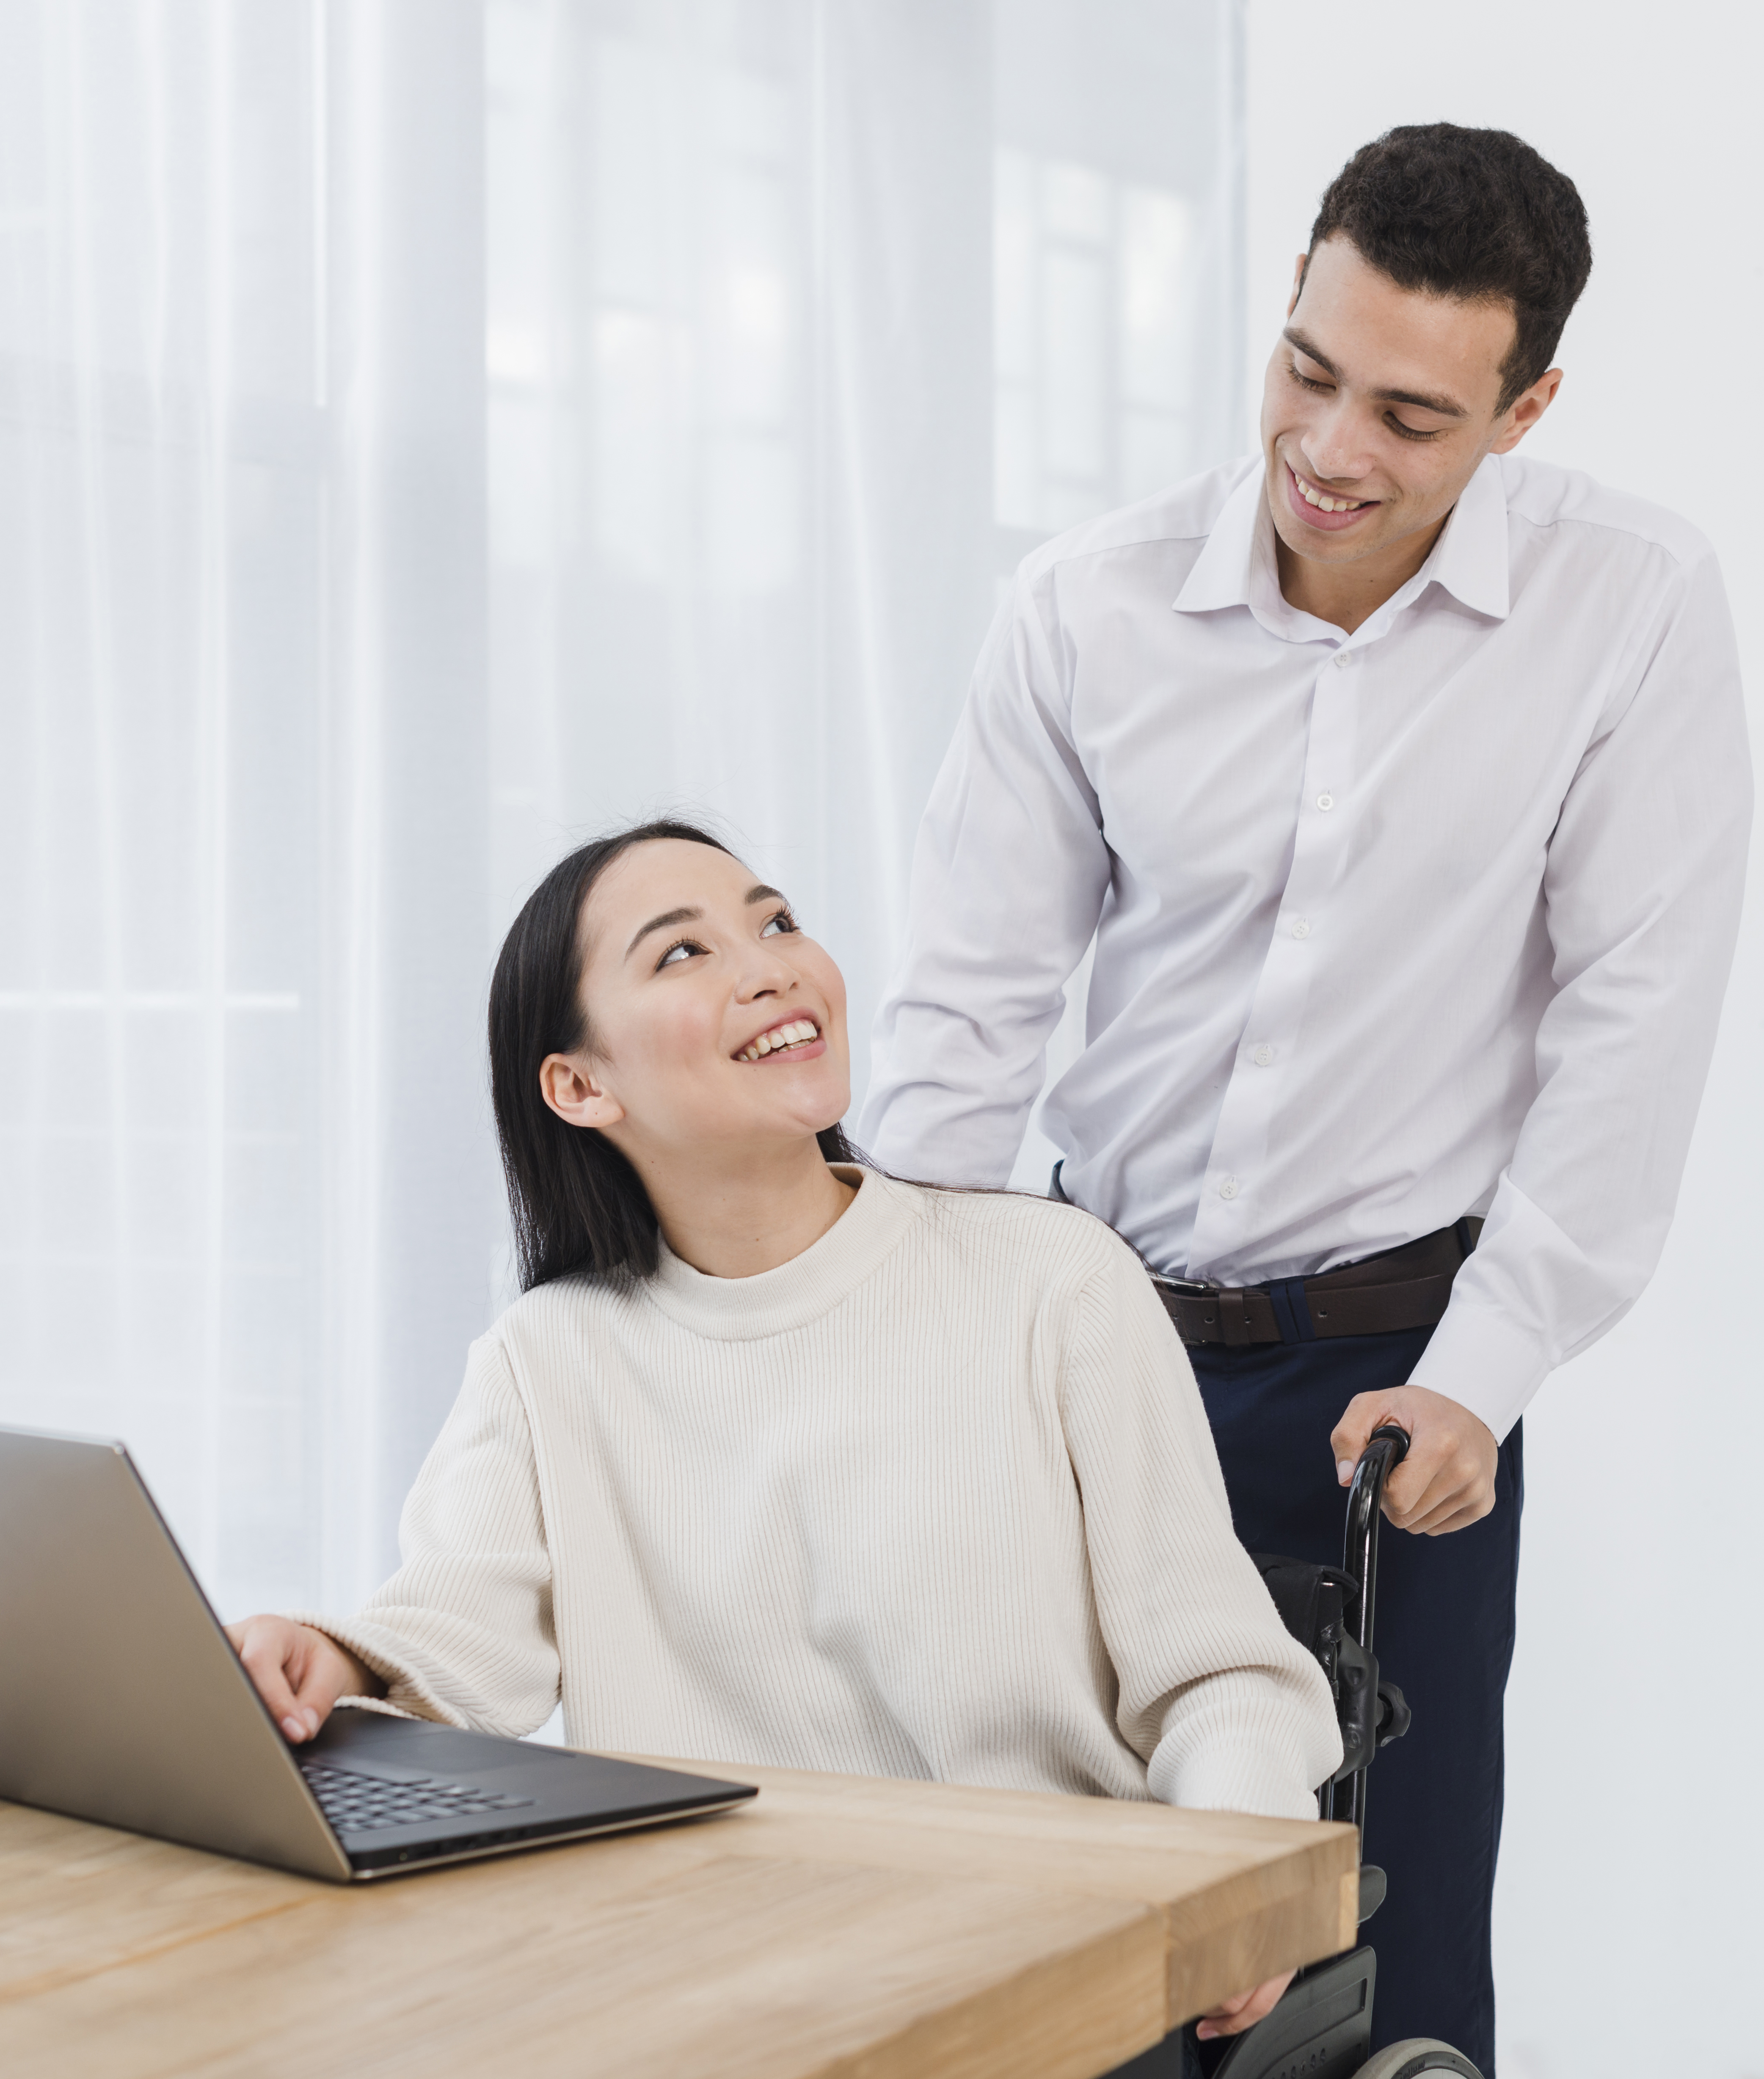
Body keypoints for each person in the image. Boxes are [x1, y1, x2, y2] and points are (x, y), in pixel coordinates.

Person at [860, 124, 1751, 2072]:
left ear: (1526, 410)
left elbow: (1632, 1024)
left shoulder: (1631, 611)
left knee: (1380, 1976)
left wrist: (1486, 1373)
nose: (1334, 447)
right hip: (1085, 1360)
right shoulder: (1084, 609)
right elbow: (968, 1023)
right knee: (1070, 1953)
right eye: (1306, 371)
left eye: (1414, 415)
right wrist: (889, 1346)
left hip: (1396, 1392)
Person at [228, 820, 1343, 2051]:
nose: (768, 965)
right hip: (718, 1994)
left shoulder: (1050, 1281)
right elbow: (450, 1639)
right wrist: (329, 1662)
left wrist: (1238, 1874)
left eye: (774, 923)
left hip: (1042, 1977)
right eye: (681, 955)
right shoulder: (553, 1358)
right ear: (580, 1085)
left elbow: (1218, 1671)